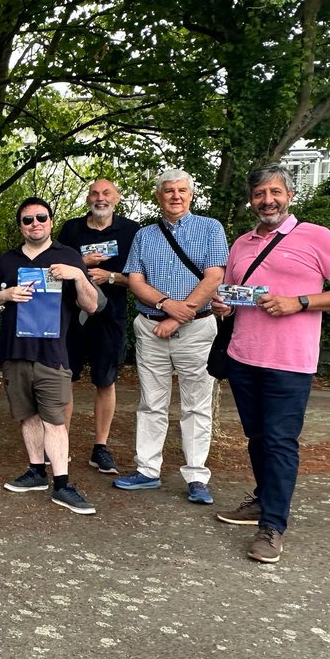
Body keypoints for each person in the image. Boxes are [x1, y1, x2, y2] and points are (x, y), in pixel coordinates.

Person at [212, 165, 330, 564]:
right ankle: (263, 501)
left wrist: (299, 301)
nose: (268, 200)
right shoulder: (242, 243)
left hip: (290, 362)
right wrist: (223, 304)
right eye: (260, 193)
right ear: (251, 199)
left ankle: (273, 526)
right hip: (244, 356)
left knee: (280, 441)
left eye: (275, 192)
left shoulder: (317, 237)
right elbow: (234, 294)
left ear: (290, 195)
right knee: (258, 437)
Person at [0, 197, 100, 514]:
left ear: (50, 220)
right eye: (27, 219)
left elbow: (91, 305)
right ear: (20, 225)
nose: (35, 224)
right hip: (15, 352)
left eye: (41, 218)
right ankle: (36, 472)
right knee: (27, 415)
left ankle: (62, 484)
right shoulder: (8, 260)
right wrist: (5, 294)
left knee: (55, 420)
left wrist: (77, 275)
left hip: (52, 352)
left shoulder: (67, 257)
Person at [114, 169, 228, 503]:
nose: (175, 196)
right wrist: (165, 305)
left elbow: (215, 277)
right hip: (151, 328)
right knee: (151, 402)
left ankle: (196, 477)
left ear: (191, 194)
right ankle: (147, 470)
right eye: (168, 191)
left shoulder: (210, 228)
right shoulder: (145, 235)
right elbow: (135, 280)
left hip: (196, 328)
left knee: (196, 404)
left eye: (181, 190)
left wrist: (177, 317)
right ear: (158, 196)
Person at [55, 178, 140, 475]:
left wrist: (112, 277)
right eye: (94, 193)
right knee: (66, 378)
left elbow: (140, 279)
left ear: (117, 198)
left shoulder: (131, 231)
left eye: (106, 193)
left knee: (105, 381)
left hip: (110, 316)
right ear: (88, 198)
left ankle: (100, 448)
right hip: (73, 316)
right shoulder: (71, 229)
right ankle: (59, 445)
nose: (100, 198)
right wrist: (80, 262)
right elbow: (54, 266)